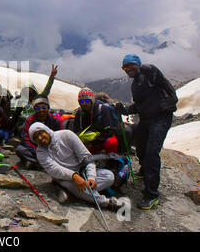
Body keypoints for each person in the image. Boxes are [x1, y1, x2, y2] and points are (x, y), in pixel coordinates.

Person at [115, 54, 178, 210]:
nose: (128, 69)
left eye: (131, 65)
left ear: (138, 65)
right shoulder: (135, 85)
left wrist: (145, 68)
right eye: (125, 67)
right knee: (141, 147)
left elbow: (160, 79)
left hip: (160, 118)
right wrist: (125, 110)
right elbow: (138, 105)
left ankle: (152, 195)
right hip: (146, 119)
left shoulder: (149, 73)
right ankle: (144, 171)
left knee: (151, 153)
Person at [32, 122, 124, 210]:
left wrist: (91, 177)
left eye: (40, 133)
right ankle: (107, 203)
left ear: (46, 130)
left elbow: (86, 157)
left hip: (82, 171)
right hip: (65, 178)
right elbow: (55, 170)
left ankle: (75, 193)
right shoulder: (40, 153)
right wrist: (74, 176)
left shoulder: (66, 135)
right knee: (72, 186)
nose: (40, 138)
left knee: (109, 176)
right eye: (36, 137)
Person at [16, 95, 62, 169]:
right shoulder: (29, 120)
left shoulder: (55, 120)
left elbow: (60, 137)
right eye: (38, 108)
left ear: (48, 108)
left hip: (51, 148)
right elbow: (25, 139)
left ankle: (37, 163)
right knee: (20, 149)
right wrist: (37, 150)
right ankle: (46, 163)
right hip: (35, 149)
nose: (41, 110)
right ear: (34, 109)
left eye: (44, 107)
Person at [12, 64, 59, 133]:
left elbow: (47, 89)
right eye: (26, 91)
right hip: (23, 125)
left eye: (30, 91)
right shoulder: (20, 101)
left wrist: (52, 77)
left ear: (33, 92)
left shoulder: (38, 99)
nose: (28, 93)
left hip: (38, 122)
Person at [73, 88, 120, 154]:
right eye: (81, 101)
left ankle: (110, 160)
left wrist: (93, 143)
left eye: (86, 101)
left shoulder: (103, 109)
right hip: (87, 140)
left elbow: (109, 131)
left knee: (111, 142)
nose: (83, 104)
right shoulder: (79, 113)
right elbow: (76, 130)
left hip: (101, 138)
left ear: (91, 100)